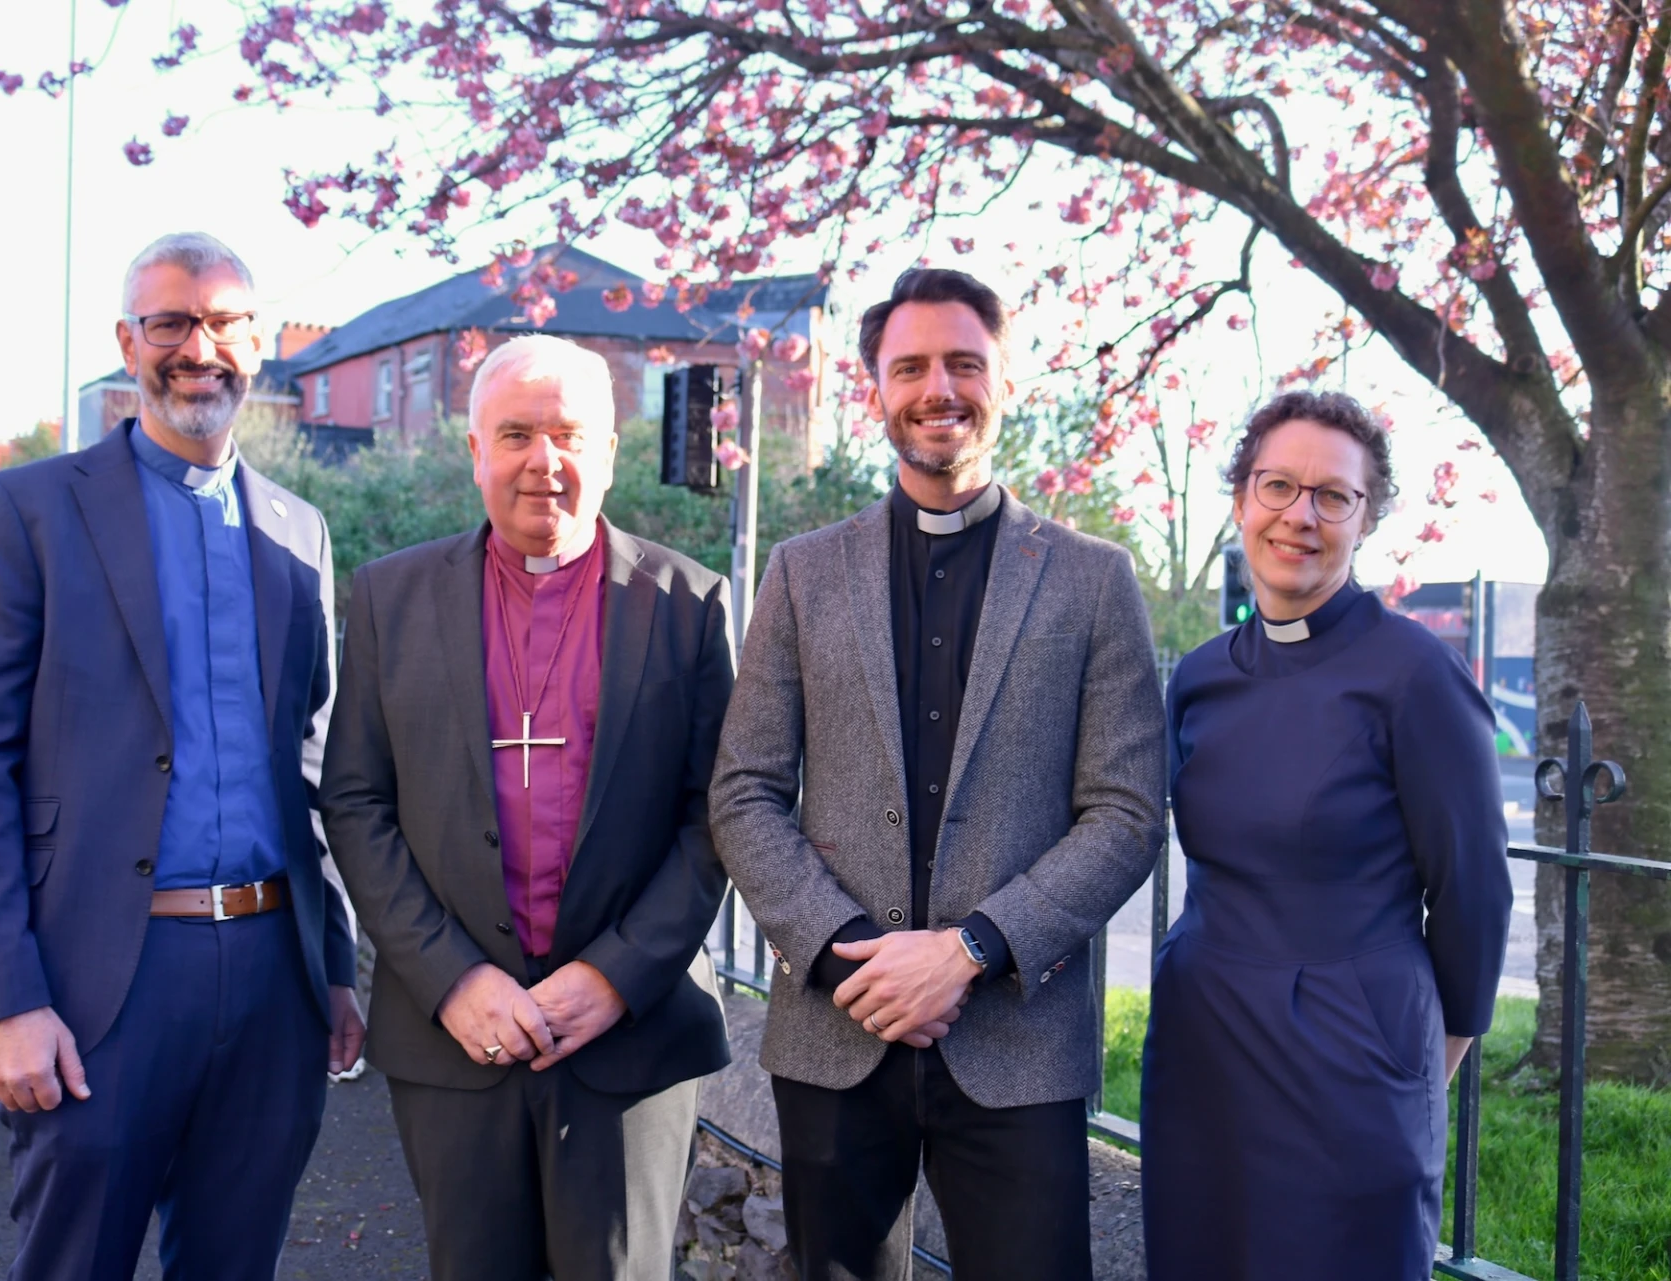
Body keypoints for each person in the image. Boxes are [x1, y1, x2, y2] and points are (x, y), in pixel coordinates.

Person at [711, 267, 1167, 1280]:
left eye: (964, 363)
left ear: (1004, 380)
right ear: (874, 387)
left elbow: (1128, 814)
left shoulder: (1095, 581)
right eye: (909, 366)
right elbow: (743, 791)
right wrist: (850, 956)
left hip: (1017, 1037)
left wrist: (967, 951)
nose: (938, 389)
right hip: (837, 1029)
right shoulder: (801, 572)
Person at [0, 232, 364, 1280]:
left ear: (259, 347)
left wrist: (335, 969)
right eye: (170, 322)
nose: (196, 347)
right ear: (129, 341)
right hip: (92, 986)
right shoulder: (26, 511)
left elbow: (312, 763)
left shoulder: (300, 533)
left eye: (222, 323)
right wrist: (2, 999)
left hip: (271, 980)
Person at [319, 333, 733, 1281]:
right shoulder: (392, 597)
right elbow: (355, 798)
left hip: (630, 1035)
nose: (544, 462)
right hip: (454, 1034)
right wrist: (454, 979)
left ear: (612, 453)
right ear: (474, 451)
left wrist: (616, 976)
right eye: (516, 434)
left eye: (569, 435)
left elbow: (719, 815)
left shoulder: (687, 603)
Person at [1140, 390, 1514, 1280]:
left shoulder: (1416, 674)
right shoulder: (1198, 677)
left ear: (1364, 519)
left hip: (1355, 1052)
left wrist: (1424, 1061)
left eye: (1332, 496)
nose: (1299, 515)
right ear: (1241, 500)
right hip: (1203, 1043)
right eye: (1278, 486)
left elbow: (1474, 891)